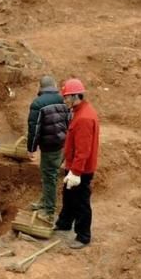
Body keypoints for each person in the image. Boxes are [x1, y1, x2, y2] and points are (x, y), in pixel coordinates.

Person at [54, 79, 99, 250]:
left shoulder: (84, 118)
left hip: (81, 169)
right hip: (74, 166)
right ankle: (65, 222)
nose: (64, 100)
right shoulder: (80, 112)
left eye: (66, 97)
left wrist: (76, 173)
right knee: (69, 196)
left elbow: (83, 150)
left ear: (75, 96)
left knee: (81, 201)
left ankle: (83, 235)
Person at [26, 75, 71, 223]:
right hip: (62, 145)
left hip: (50, 147)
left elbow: (35, 128)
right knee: (48, 175)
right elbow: (69, 121)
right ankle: (44, 202)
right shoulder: (63, 100)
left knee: (49, 177)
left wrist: (31, 148)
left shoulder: (38, 104)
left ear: (40, 87)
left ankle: (49, 211)